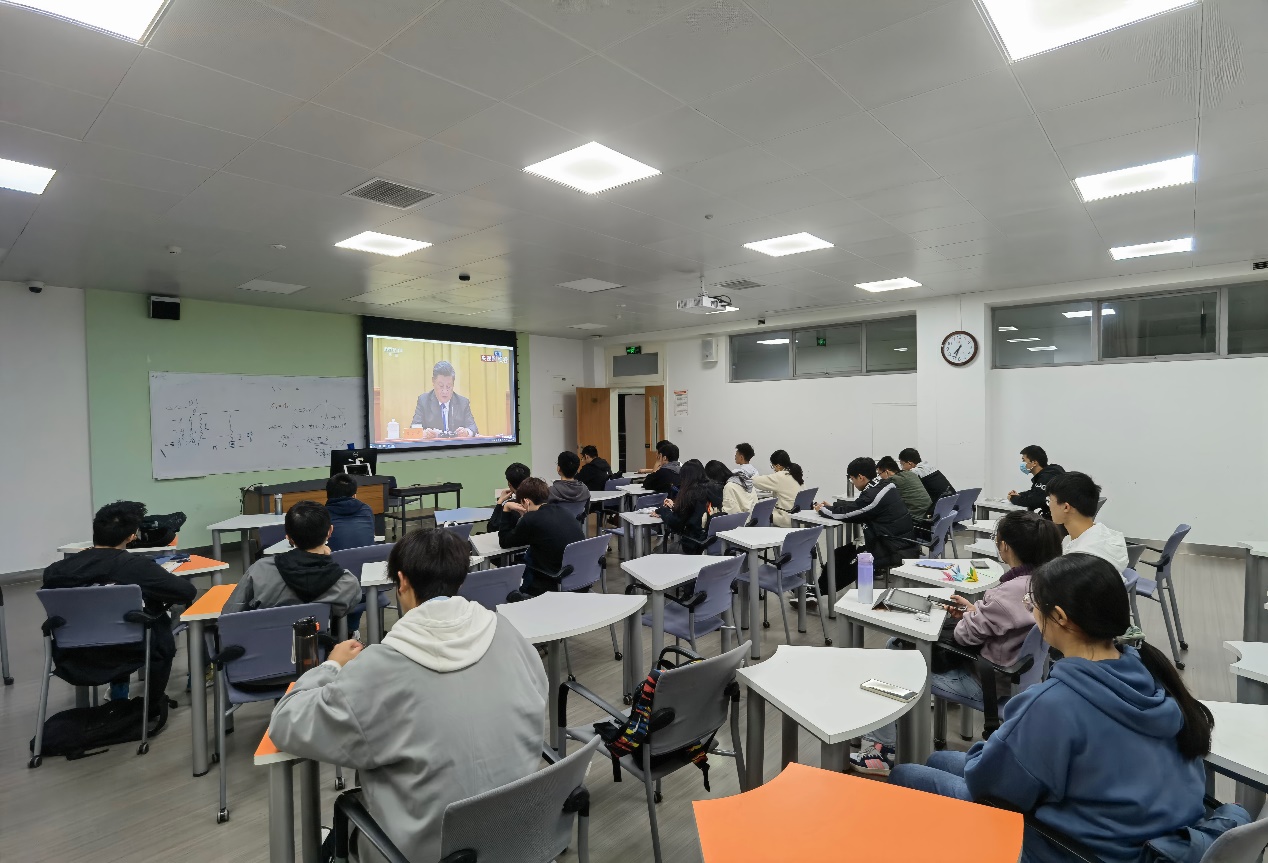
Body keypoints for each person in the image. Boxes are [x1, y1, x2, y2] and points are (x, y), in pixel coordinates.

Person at [890, 553, 1217, 863]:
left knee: (906, 774)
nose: (1031, 611)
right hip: (1149, 839)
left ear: (1059, 617)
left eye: (1033, 604)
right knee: (940, 759)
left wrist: (995, 749)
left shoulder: (1053, 704)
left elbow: (991, 787)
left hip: (1073, 850)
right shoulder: (1152, 676)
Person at [268, 528, 547, 863]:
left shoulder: (380, 667)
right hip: (517, 834)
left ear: (401, 581)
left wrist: (331, 666)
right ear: (460, 578)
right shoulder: (508, 634)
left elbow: (286, 724)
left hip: (426, 851)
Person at [852, 511, 1063, 776]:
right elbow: (1006, 620)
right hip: (1017, 678)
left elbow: (964, 636)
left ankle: (884, 751)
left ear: (1005, 547)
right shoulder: (1046, 582)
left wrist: (971, 617)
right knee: (898, 644)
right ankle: (886, 735)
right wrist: (976, 611)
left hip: (984, 681)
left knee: (890, 663)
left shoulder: (1007, 593)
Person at [41, 501, 197, 716]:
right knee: (155, 623)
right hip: (129, 652)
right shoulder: (136, 567)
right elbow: (186, 592)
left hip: (73, 656)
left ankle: (118, 692)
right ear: (132, 536)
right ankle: (151, 706)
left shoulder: (54, 571)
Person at [223, 500, 362, 617]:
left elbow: (230, 614)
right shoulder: (347, 583)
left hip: (266, 640)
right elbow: (343, 612)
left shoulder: (260, 570)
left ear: (289, 538)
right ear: (330, 531)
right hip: (317, 641)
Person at [816, 457, 914, 570]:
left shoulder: (873, 495)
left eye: (852, 479)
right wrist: (834, 507)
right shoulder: (884, 484)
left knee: (840, 563)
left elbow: (847, 514)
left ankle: (825, 585)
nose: (853, 483)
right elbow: (859, 506)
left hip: (891, 549)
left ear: (861, 477)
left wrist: (822, 509)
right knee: (840, 554)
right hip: (899, 542)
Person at [498, 477, 585, 592]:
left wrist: (506, 508)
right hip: (578, 576)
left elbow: (504, 542)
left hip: (551, 580)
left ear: (525, 501)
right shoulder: (564, 511)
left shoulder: (531, 519)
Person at [1047, 472, 1129, 577]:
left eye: (1050, 500)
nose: (1049, 506)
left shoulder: (1082, 558)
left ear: (1066, 507)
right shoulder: (1105, 536)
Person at [656, 461, 721, 553]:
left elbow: (675, 523)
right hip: (714, 544)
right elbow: (697, 511)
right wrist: (675, 506)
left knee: (658, 550)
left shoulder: (690, 493)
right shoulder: (715, 488)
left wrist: (663, 510)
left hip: (694, 546)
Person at [411, 360, 478, 439]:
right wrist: (423, 433)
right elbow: (414, 429)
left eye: (448, 386)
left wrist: (467, 432)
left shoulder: (463, 403)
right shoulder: (423, 401)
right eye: (441, 386)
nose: (445, 391)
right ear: (433, 382)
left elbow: (473, 428)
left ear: (453, 384)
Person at [1008, 445, 1065, 517]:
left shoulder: (1046, 477)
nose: (1022, 464)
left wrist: (1013, 498)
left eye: (1024, 460)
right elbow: (1035, 492)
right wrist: (1020, 495)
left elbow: (1035, 501)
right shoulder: (1047, 473)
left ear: (1034, 463)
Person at [752, 449, 804, 528]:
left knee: (758, 513)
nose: (774, 469)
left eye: (773, 466)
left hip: (787, 518)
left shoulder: (781, 476)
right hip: (800, 517)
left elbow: (756, 481)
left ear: (778, 466)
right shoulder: (795, 474)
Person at [325, 472, 375, 552]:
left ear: (328, 494)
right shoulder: (367, 510)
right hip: (368, 558)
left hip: (337, 559)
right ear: (354, 495)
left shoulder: (322, 515)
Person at [876, 455, 931, 522]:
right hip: (928, 512)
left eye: (879, 474)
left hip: (916, 517)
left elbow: (881, 499)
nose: (880, 477)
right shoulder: (910, 473)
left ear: (886, 472)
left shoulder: (893, 480)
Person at [487, 462, 531, 533]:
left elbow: (492, 528)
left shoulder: (510, 506)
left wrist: (500, 501)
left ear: (509, 484)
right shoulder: (539, 500)